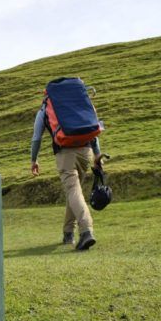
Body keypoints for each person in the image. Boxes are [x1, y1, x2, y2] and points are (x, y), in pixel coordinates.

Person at [30, 103, 102, 251]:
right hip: (86, 151)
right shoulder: (80, 101)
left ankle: (86, 230)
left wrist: (34, 160)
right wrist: (97, 155)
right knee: (74, 192)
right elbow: (93, 127)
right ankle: (68, 233)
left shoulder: (45, 108)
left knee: (73, 191)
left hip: (65, 153)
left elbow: (36, 137)